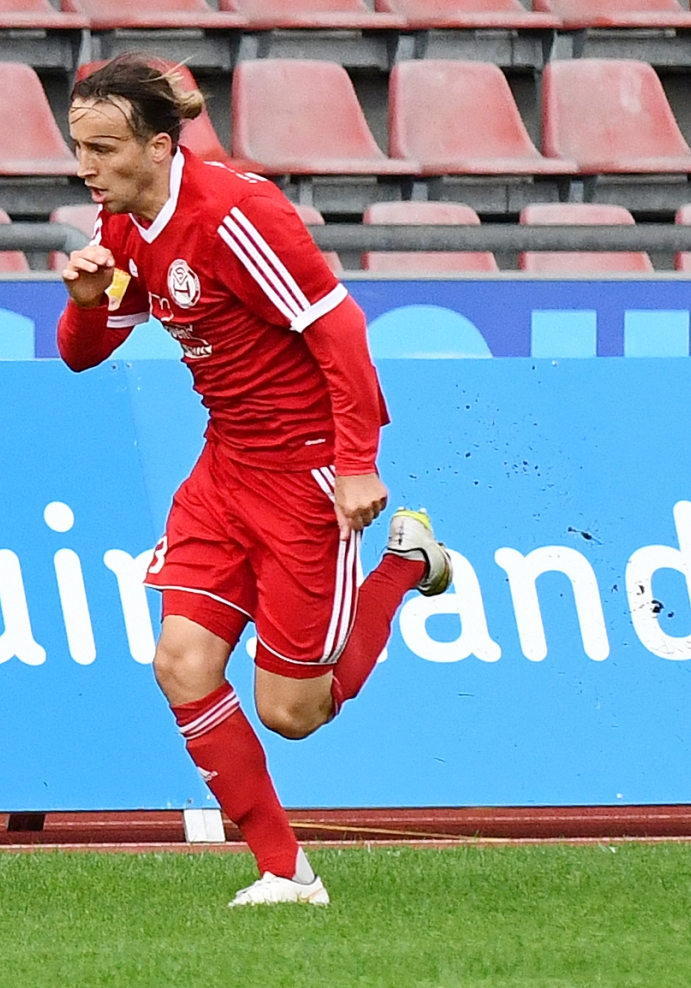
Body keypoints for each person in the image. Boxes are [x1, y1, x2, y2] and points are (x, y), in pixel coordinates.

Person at [58, 54, 451, 907]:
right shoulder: (125, 227)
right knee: (181, 662)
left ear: (159, 146)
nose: (87, 167)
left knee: (292, 712)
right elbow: (84, 356)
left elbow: (338, 327)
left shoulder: (238, 214)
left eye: (103, 148)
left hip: (307, 473)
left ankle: (408, 564)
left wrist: (355, 464)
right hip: (225, 468)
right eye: (78, 147)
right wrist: (87, 300)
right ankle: (285, 870)